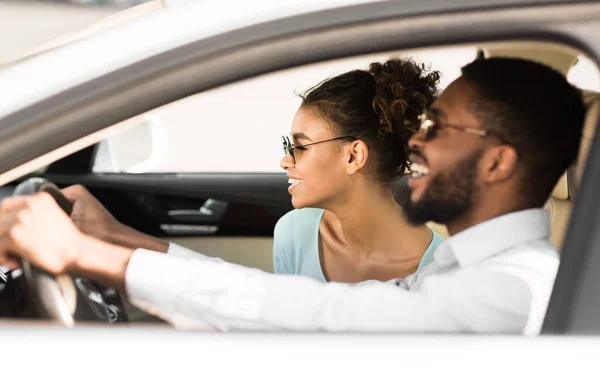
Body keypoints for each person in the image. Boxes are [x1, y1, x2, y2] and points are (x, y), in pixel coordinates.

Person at [0, 57, 585, 334]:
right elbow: (293, 300)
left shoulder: (516, 287)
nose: (417, 142)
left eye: (437, 127)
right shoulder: (467, 269)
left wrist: (92, 258)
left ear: (497, 160)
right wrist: (117, 238)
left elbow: (321, 315)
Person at [274, 58, 443, 283]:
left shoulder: (439, 271)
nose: (285, 161)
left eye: (301, 147)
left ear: (354, 156)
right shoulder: (293, 233)